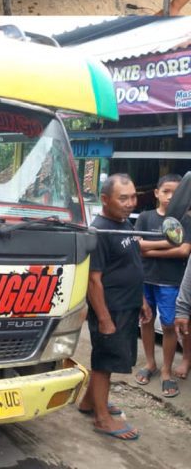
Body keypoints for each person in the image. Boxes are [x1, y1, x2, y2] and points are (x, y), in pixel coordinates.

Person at [77, 174, 152, 441]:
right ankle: (101, 418)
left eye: (133, 197)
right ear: (105, 199)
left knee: (108, 361)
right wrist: (105, 318)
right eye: (123, 198)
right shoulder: (100, 230)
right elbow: (93, 280)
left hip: (127, 305)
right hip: (112, 309)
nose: (130, 203)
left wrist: (141, 299)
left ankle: (89, 403)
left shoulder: (124, 225)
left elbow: (131, 265)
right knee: (104, 363)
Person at [135, 174, 191, 394]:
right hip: (146, 279)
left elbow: (184, 250)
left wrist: (149, 248)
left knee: (169, 326)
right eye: (166, 191)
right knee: (146, 321)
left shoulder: (186, 220)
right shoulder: (145, 217)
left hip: (170, 282)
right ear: (156, 193)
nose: (170, 197)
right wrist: (169, 244)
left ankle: (166, 370)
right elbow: (136, 247)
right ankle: (150, 363)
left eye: (176, 193)